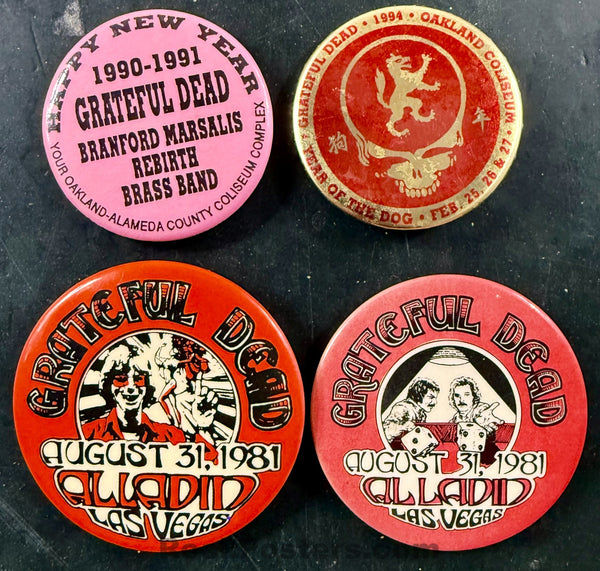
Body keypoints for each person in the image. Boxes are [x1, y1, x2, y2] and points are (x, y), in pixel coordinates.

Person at [82, 344, 186, 443]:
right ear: (109, 385)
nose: (131, 387)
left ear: (148, 386)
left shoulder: (171, 436)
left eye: (138, 379)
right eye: (121, 379)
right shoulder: (88, 433)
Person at [448, 376, 504, 465]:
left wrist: (480, 420)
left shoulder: (480, 410)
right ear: (453, 399)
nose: (461, 400)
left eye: (466, 394)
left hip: (487, 461)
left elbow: (482, 412)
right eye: (457, 396)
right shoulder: (454, 420)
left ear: (474, 397)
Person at [382, 378, 439, 442]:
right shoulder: (403, 408)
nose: (434, 402)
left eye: (435, 398)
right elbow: (386, 432)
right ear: (419, 395)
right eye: (431, 397)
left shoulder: (422, 415)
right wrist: (403, 427)